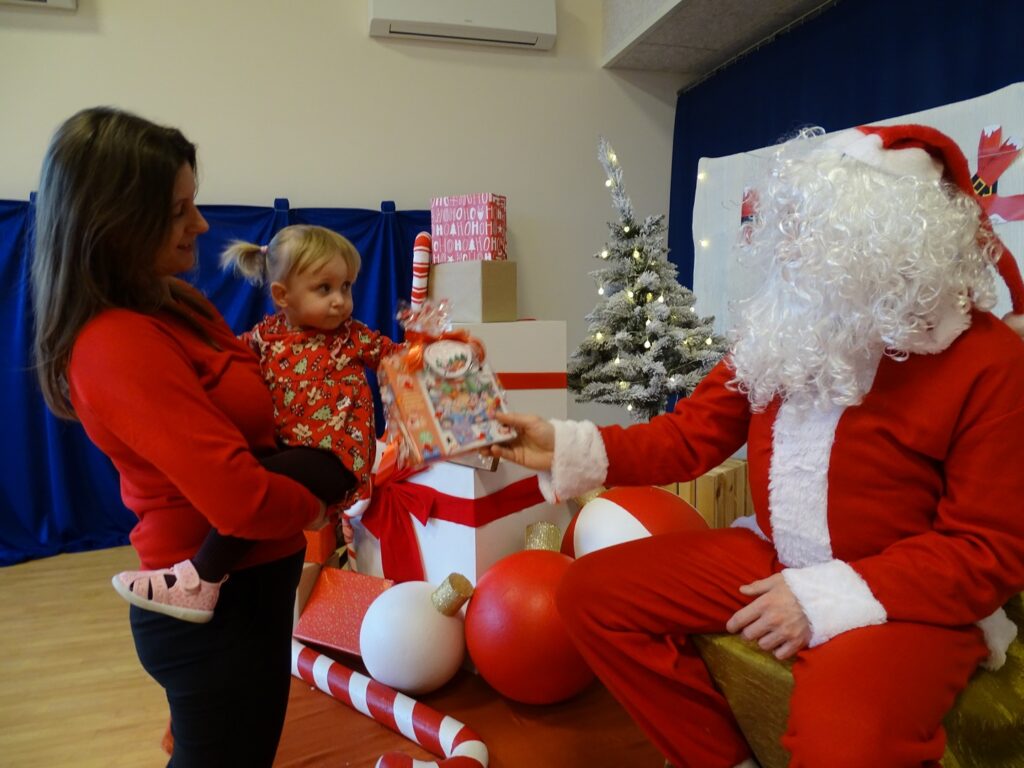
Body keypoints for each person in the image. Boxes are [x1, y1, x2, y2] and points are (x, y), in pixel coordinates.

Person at [490, 124, 1024, 768]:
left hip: (903, 597)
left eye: (819, 229)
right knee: (592, 595)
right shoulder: (784, 327)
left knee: (845, 742)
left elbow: (987, 551)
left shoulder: (988, 361)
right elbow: (687, 438)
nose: (794, 247)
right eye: (793, 226)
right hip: (778, 553)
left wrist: (825, 599)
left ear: (893, 241)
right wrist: (561, 446)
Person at [31, 106, 350, 767]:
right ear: (116, 221)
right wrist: (325, 502)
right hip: (216, 616)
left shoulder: (175, 301)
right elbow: (240, 502)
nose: (200, 224)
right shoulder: (114, 344)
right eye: (179, 211)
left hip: (257, 588)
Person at [109, 223, 397, 622]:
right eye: (325, 288)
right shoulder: (265, 337)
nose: (340, 301)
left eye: (346, 287)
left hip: (335, 460)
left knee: (243, 485)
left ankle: (200, 579)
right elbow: (221, 367)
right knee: (242, 487)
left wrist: (442, 351)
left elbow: (395, 355)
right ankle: (205, 577)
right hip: (292, 454)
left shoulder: (351, 337)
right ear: (282, 296)